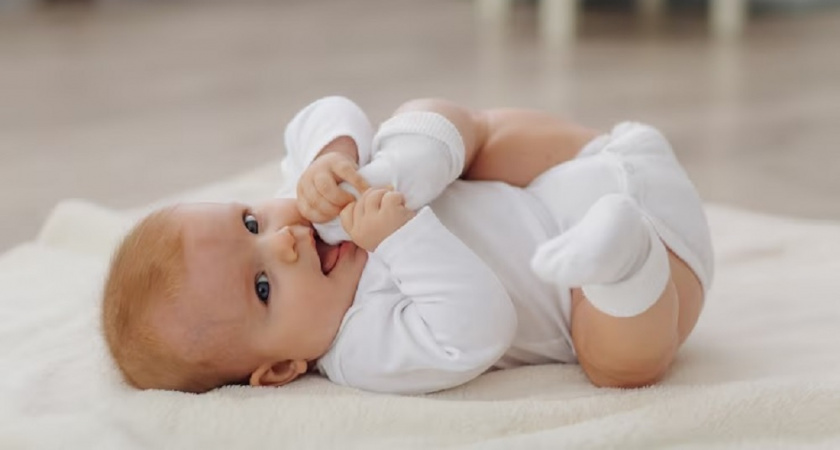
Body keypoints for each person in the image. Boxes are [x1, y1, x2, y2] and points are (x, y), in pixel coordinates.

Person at [102, 96, 713, 395]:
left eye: (248, 224)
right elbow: (479, 328)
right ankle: (621, 255)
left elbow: (326, 110)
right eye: (262, 288)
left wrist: (336, 155)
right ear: (284, 368)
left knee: (461, 130)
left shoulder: (312, 198)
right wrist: (400, 238)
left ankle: (419, 157)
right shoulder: (361, 349)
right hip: (649, 279)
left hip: (579, 169)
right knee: (615, 363)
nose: (286, 240)